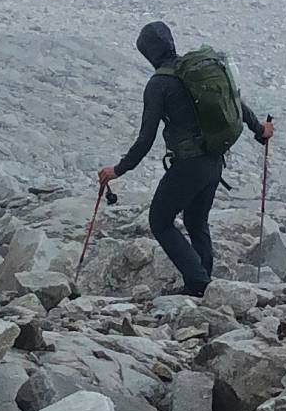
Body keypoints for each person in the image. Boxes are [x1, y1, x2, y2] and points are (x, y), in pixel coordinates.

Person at [99, 20, 272, 297]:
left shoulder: (159, 84)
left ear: (147, 52)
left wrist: (118, 170)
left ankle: (199, 283)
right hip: (214, 161)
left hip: (188, 164)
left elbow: (146, 139)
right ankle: (202, 286)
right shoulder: (196, 72)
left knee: (160, 221)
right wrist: (260, 129)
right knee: (195, 221)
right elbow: (236, 103)